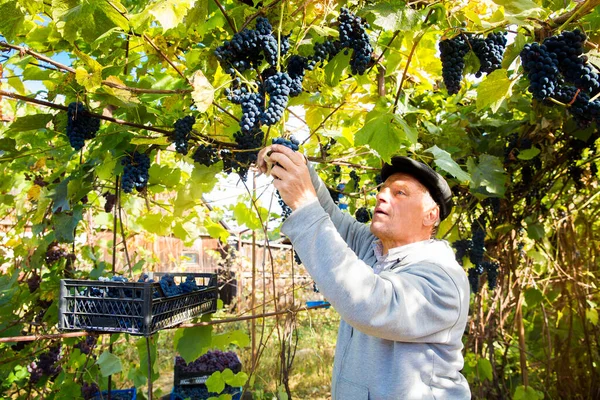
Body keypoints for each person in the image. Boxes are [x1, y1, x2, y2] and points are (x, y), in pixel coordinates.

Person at [257, 145, 471, 400]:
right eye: (383, 189)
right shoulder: (373, 248)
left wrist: (304, 203)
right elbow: (329, 216)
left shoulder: (443, 279)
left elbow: (371, 304)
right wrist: (296, 164)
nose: (382, 196)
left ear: (430, 215)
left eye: (399, 192)